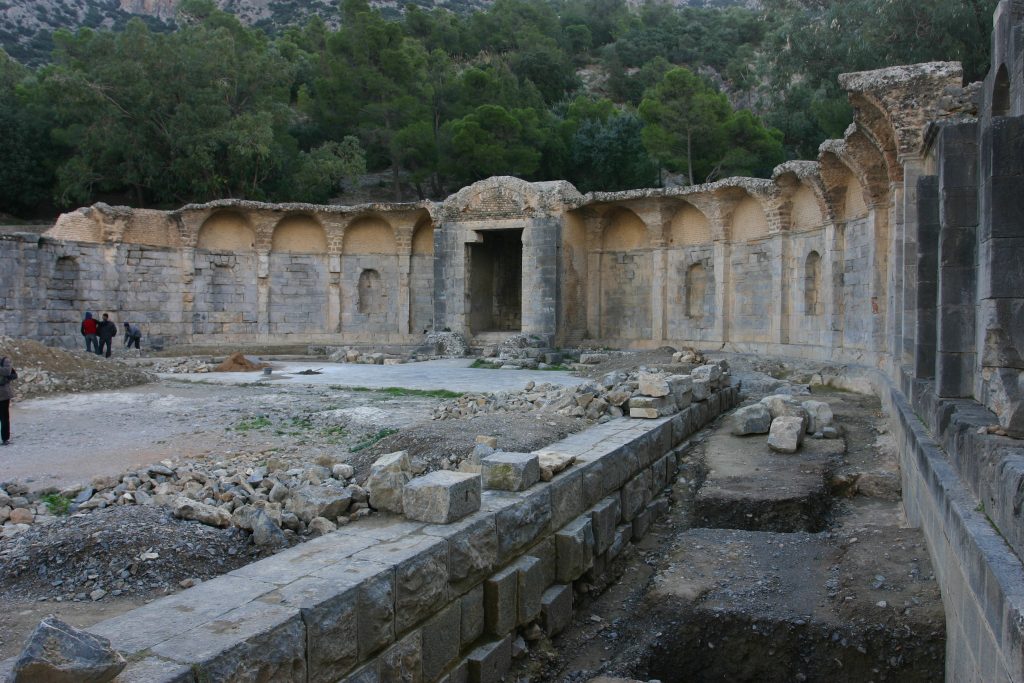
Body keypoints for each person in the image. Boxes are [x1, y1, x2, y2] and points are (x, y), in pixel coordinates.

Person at [0, 355, 15, 445]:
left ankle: (5, 439)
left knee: (4, 417)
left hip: (4, 395)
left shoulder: (5, 360)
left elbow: (7, 371)